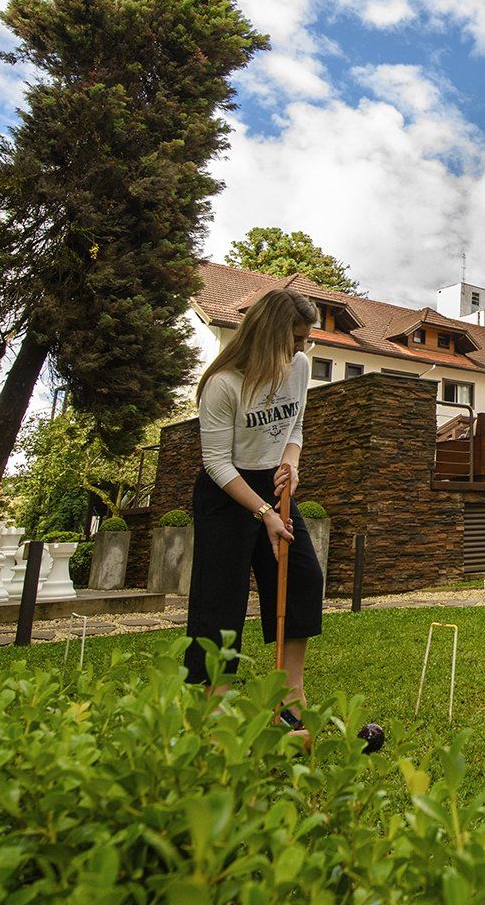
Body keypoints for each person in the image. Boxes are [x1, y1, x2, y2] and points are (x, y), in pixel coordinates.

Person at [183, 286, 325, 731]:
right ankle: (212, 704)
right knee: (219, 598)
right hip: (227, 491)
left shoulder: (298, 367)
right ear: (269, 336)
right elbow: (215, 463)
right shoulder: (224, 384)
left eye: (306, 340)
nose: (302, 348)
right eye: (296, 339)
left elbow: (294, 428)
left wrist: (291, 464)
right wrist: (264, 513)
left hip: (272, 483)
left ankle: (288, 694)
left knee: (303, 577)